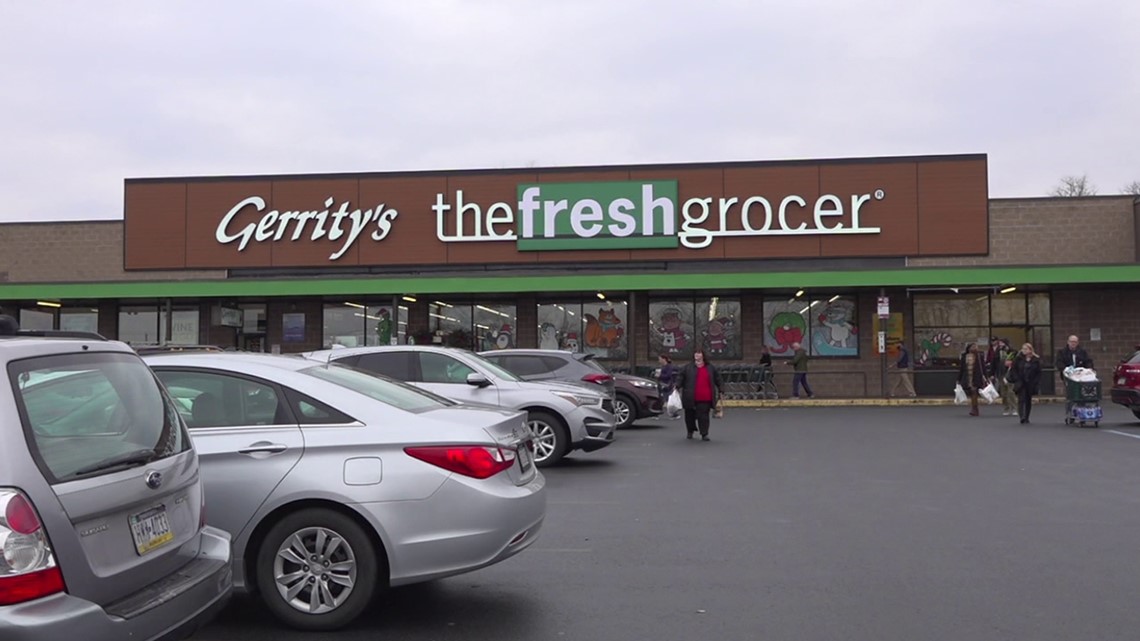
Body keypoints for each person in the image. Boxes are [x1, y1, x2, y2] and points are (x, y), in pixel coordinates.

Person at [674, 349, 723, 441]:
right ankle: (690, 431)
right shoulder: (687, 367)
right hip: (690, 395)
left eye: (699, 353)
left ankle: (704, 433)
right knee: (689, 415)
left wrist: (721, 389)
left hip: (705, 396)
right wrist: (677, 385)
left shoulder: (710, 368)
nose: (697, 355)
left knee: (703, 416)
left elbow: (718, 379)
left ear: (703, 355)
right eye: (695, 353)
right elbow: (680, 377)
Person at [1055, 335, 1094, 416]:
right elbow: (1059, 363)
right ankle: (1070, 413)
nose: (1073, 343)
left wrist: (1089, 368)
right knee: (1070, 395)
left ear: (1077, 343)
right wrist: (1065, 369)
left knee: (1082, 394)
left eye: (1075, 342)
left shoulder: (1082, 352)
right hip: (1068, 377)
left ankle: (1081, 411)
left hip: (1081, 376)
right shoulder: (1062, 352)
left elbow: (1088, 361)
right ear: (1068, 342)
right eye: (1072, 342)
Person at [1009, 342, 1043, 424]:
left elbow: (1038, 372)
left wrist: (1036, 382)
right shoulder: (1018, 358)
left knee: (1028, 400)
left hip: (1030, 382)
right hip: (1021, 382)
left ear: (1030, 350)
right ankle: (1022, 416)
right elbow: (1013, 370)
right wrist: (1016, 379)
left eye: (1025, 349)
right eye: (1023, 349)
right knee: (1021, 399)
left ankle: (1027, 416)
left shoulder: (1036, 360)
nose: (1023, 350)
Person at [991, 338, 1017, 417]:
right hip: (1001, 374)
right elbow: (994, 363)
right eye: (1000, 343)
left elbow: (1017, 361)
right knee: (1003, 393)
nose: (1000, 345)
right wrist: (992, 374)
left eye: (1002, 343)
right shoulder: (997, 352)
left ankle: (1014, 408)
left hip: (1010, 374)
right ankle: (1006, 408)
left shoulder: (1013, 352)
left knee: (1011, 392)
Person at [957, 343, 985, 416]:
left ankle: (975, 409)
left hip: (976, 377)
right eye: (973, 347)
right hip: (968, 377)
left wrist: (986, 376)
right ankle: (974, 407)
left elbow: (983, 367)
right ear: (969, 348)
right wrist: (959, 379)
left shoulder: (979, 356)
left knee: (974, 392)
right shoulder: (964, 356)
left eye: (976, 347)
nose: (975, 348)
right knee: (971, 392)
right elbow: (962, 368)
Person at [657, 354, 678, 418]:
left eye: (660, 359)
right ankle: (661, 413)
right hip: (662, 384)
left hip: (667, 385)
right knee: (663, 399)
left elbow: (668, 376)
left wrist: (659, 376)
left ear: (664, 359)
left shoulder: (669, 367)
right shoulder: (663, 367)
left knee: (669, 400)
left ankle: (673, 414)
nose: (659, 361)